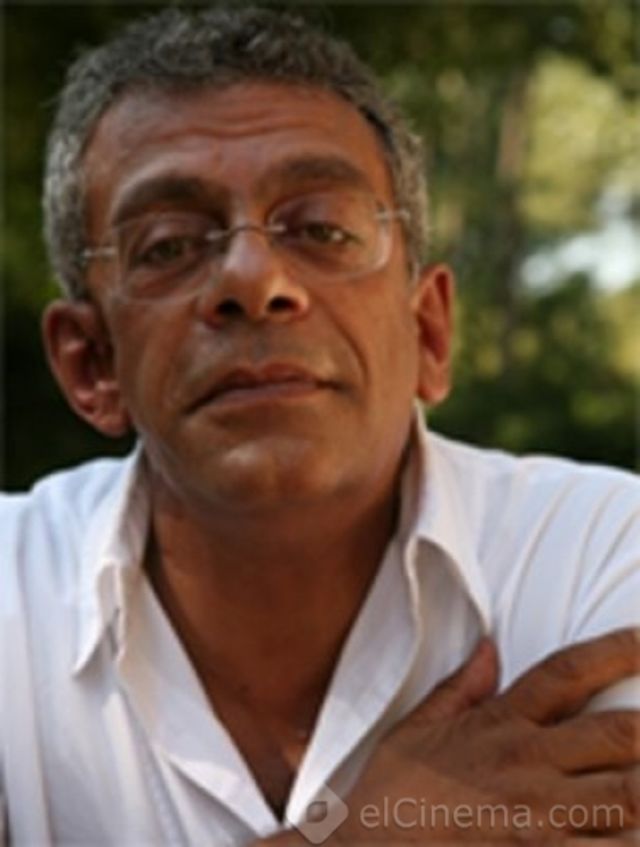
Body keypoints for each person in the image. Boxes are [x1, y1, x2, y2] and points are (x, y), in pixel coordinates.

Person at [1, 7, 639, 845]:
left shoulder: (605, 554)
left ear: (428, 332)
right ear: (92, 364)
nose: (252, 278)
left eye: (322, 229)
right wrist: (365, 832)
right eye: (169, 244)